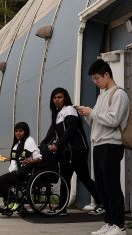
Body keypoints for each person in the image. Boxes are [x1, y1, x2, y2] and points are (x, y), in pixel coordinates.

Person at [77, 59, 130, 235]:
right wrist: (87, 114)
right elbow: (96, 121)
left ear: (107, 74)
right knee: (102, 186)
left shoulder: (119, 94)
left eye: (97, 78)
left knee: (112, 185)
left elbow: (113, 120)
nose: (96, 82)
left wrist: (91, 112)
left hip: (111, 144)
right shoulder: (102, 95)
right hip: (99, 144)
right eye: (93, 79)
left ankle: (119, 226)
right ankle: (109, 222)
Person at [42, 87, 101, 215]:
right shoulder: (57, 114)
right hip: (67, 152)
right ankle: (62, 207)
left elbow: (71, 130)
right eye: (55, 98)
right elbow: (51, 133)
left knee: (83, 177)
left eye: (60, 97)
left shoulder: (69, 110)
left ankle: (102, 203)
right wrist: (41, 145)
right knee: (65, 178)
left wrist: (57, 145)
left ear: (65, 98)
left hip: (78, 150)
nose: (57, 100)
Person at [0, 121, 42, 210]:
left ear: (25, 131)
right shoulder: (17, 144)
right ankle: (11, 200)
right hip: (16, 172)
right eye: (16, 131)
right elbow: (17, 159)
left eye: (20, 131)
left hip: (25, 174)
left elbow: (39, 158)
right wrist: (7, 159)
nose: (18, 133)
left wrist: (30, 160)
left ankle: (13, 200)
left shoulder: (29, 141)